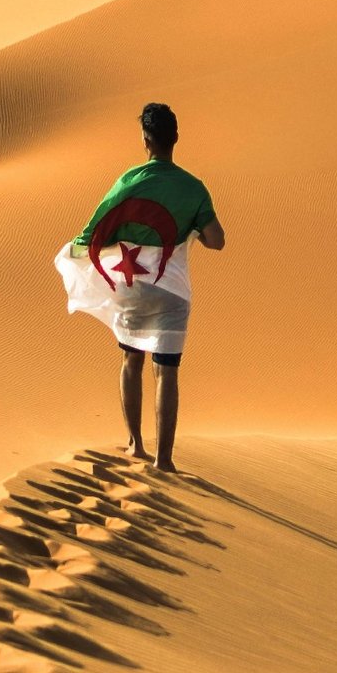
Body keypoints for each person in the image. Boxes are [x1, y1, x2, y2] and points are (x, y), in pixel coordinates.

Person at [54, 102, 225, 473]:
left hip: (131, 286)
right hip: (172, 290)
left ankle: (135, 444)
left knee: (132, 359)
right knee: (167, 370)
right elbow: (217, 240)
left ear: (145, 139)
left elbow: (96, 229)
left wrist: (79, 250)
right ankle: (165, 460)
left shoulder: (130, 181)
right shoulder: (194, 188)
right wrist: (191, 225)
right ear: (175, 139)